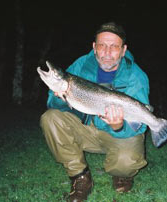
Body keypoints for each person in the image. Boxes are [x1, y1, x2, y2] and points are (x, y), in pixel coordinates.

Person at [40, 22, 150, 202]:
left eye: (114, 47)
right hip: (88, 129)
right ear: (94, 47)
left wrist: (119, 126)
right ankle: (80, 177)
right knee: (50, 118)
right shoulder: (81, 65)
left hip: (120, 134)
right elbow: (52, 103)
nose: (107, 52)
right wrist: (60, 99)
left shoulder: (137, 76)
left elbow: (140, 126)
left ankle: (122, 174)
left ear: (123, 50)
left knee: (126, 163)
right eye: (102, 45)